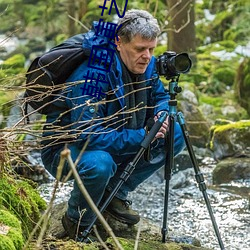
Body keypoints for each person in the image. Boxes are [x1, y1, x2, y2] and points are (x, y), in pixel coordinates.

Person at [41, 9, 185, 241]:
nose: (147, 56)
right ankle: (76, 221)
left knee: (175, 132)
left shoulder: (146, 64)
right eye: (140, 49)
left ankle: (115, 193)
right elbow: (87, 135)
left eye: (152, 49)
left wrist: (161, 114)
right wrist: (142, 135)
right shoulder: (91, 75)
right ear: (119, 42)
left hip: (117, 136)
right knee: (100, 164)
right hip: (67, 150)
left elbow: (159, 96)